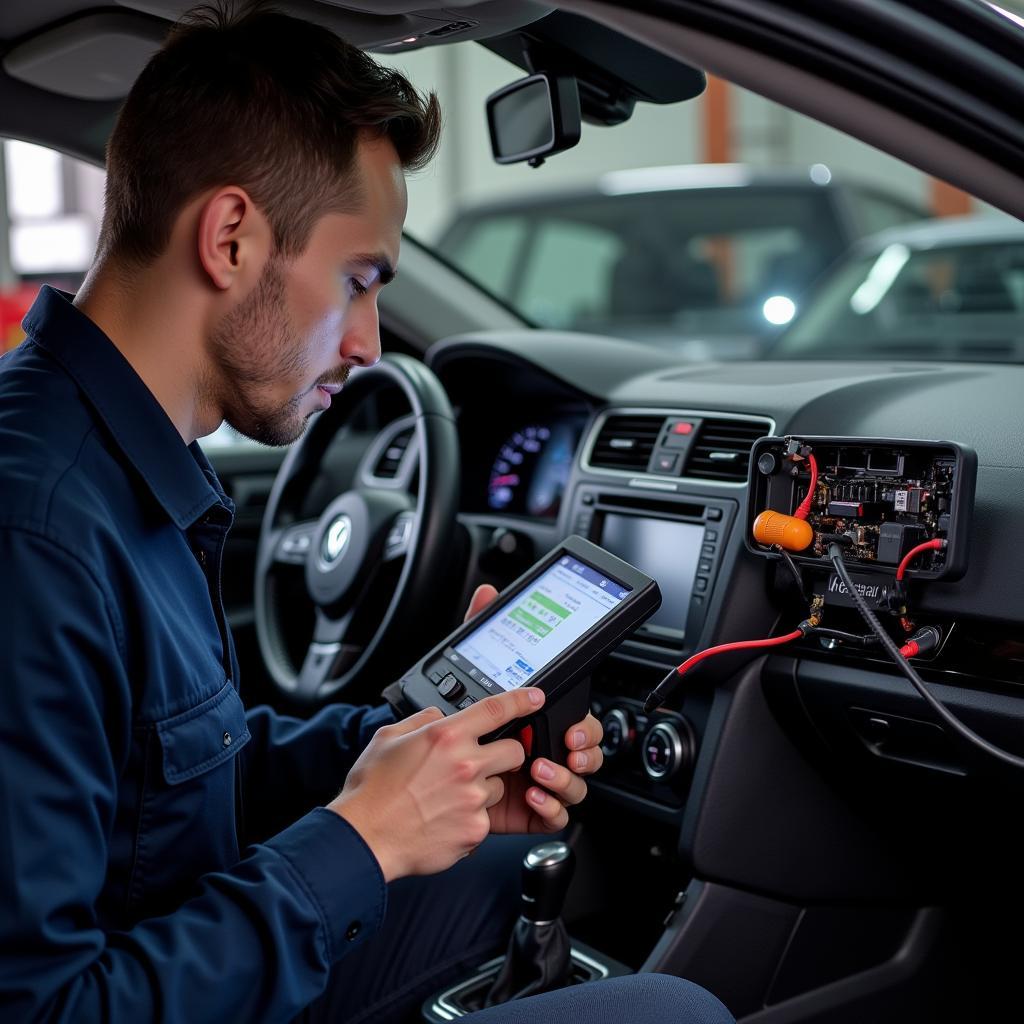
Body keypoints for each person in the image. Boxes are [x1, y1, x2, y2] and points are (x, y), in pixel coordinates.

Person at [0, 5, 733, 1023]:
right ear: (230, 238)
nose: (370, 345)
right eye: (358, 281)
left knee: (503, 859)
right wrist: (360, 844)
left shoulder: (107, 461)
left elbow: (171, 784)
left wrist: (415, 750)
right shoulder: (35, 533)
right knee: (676, 1017)